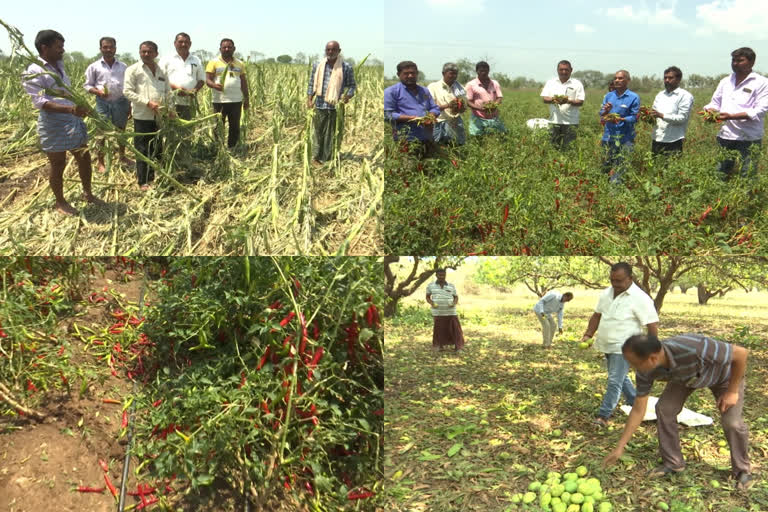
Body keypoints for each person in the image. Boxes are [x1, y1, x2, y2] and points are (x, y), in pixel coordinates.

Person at [604, 333, 752, 490]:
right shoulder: (645, 371)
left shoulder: (694, 347)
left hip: (724, 377)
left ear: (652, 359)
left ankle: (743, 471)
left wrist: (732, 391)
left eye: (634, 363)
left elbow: (741, 353)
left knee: (732, 423)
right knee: (664, 409)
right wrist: (620, 447)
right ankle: (674, 463)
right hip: (685, 378)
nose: (632, 368)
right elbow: (638, 409)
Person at [22, 29, 102, 215]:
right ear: (44, 47)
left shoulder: (60, 65)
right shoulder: (33, 71)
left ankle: (88, 193)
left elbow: (65, 93)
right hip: (53, 123)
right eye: (59, 47)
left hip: (72, 119)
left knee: (84, 157)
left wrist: (80, 106)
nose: (62, 50)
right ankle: (60, 202)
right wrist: (70, 109)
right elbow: (39, 102)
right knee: (58, 163)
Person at [581, 262, 659, 426]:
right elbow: (597, 315)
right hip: (606, 343)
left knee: (614, 380)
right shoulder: (606, 293)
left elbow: (652, 325)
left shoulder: (640, 298)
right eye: (612, 280)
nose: (615, 284)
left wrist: (653, 351)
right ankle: (634, 402)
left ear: (630, 278)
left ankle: (603, 416)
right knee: (620, 377)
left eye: (619, 281)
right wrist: (589, 334)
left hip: (625, 347)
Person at [703, 47, 768, 180]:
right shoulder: (725, 81)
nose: (735, 63)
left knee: (748, 174)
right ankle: (720, 196)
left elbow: (760, 110)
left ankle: (748, 199)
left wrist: (731, 116)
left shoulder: (761, 82)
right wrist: (710, 110)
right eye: (733, 60)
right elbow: (715, 102)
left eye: (740, 60)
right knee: (721, 172)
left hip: (749, 137)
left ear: (751, 62)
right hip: (726, 135)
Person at [123, 40, 171, 190]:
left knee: (157, 147)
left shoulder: (162, 70)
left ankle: (154, 176)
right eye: (143, 51)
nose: (146, 54)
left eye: (149, 51)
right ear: (139, 53)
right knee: (142, 148)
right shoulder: (133, 70)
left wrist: (170, 109)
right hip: (142, 115)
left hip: (159, 116)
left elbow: (168, 92)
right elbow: (127, 91)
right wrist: (147, 102)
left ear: (156, 53)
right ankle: (142, 181)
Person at [84, 36, 131, 172]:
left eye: (111, 47)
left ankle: (122, 157)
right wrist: (98, 92)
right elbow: (87, 85)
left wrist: (129, 105)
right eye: (105, 47)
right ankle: (101, 162)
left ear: (115, 49)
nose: (108, 49)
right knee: (101, 132)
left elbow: (128, 86)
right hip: (102, 103)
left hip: (121, 101)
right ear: (100, 49)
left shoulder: (123, 67)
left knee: (121, 130)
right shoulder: (94, 67)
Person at [306, 40, 357, 166]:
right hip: (319, 105)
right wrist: (309, 99)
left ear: (339, 51)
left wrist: (347, 97)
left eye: (333, 49)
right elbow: (312, 84)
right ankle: (316, 157)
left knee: (332, 133)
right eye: (328, 49)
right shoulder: (317, 65)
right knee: (318, 131)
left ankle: (329, 158)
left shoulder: (346, 67)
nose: (330, 52)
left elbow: (352, 86)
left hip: (336, 107)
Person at [383, 61, 441, 156]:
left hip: (427, 138)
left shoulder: (424, 91)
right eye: (406, 73)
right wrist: (413, 119)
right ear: (398, 74)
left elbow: (435, 108)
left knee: (429, 167)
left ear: (417, 74)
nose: (410, 76)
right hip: (406, 139)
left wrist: (431, 115)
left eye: (413, 73)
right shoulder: (391, 92)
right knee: (408, 168)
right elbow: (387, 115)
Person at [205, 38, 249, 148]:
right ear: (220, 49)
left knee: (234, 126)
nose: (227, 49)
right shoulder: (213, 62)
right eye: (224, 47)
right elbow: (208, 80)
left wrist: (246, 98)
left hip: (236, 101)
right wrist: (215, 85)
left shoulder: (240, 63)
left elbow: (243, 82)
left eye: (229, 47)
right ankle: (218, 149)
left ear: (234, 49)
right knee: (218, 126)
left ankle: (232, 148)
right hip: (219, 101)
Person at [599, 70, 639, 183]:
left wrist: (622, 119)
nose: (617, 80)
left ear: (628, 80)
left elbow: (635, 117)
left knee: (621, 167)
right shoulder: (609, 96)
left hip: (626, 138)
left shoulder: (633, 97)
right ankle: (603, 192)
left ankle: (615, 195)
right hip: (608, 137)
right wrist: (605, 111)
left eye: (620, 78)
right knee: (605, 166)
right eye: (615, 78)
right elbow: (602, 115)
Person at [540, 60, 585, 149]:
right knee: (553, 148)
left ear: (571, 70)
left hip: (571, 122)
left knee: (569, 148)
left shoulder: (577, 84)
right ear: (557, 70)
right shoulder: (551, 82)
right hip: (554, 121)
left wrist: (568, 101)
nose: (563, 72)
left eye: (566, 70)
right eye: (561, 70)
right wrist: (554, 99)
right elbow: (545, 99)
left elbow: (580, 101)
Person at [159, 32, 204, 120]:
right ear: (175, 43)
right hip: (170, 103)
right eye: (180, 42)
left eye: (186, 42)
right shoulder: (166, 59)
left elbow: (201, 79)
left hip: (189, 103)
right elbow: (160, 78)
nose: (183, 44)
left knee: (188, 130)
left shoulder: (196, 60)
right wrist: (177, 89)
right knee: (171, 129)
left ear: (190, 44)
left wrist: (194, 91)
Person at [650, 66, 694, 156]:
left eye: (670, 78)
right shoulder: (660, 95)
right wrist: (647, 116)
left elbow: (682, 118)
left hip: (673, 140)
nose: (667, 80)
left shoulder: (685, 96)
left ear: (678, 79)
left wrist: (662, 115)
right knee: (656, 168)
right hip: (657, 138)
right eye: (665, 78)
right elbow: (654, 113)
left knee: (672, 168)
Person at [427, 62, 467, 146]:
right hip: (439, 122)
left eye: (455, 74)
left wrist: (460, 107)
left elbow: (464, 108)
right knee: (437, 146)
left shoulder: (460, 88)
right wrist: (449, 105)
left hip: (455, 121)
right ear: (443, 73)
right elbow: (430, 107)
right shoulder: (433, 87)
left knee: (456, 145)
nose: (453, 76)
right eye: (451, 73)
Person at [425, 269, 465, 351]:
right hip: (438, 312)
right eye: (440, 275)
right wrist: (432, 303)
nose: (441, 277)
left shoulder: (451, 286)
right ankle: (439, 346)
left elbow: (456, 297)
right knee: (439, 329)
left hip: (451, 311)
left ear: (445, 275)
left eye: (443, 275)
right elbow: (427, 297)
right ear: (436, 275)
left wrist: (454, 303)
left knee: (455, 329)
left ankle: (458, 347)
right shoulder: (430, 286)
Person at [465, 61, 507, 136]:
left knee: (501, 135)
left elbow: (499, 97)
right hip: (478, 117)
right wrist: (480, 108)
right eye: (481, 71)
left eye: (486, 71)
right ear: (477, 71)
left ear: (488, 71)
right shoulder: (471, 84)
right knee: (477, 138)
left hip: (494, 116)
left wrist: (494, 105)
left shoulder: (494, 83)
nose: (484, 73)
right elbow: (468, 101)